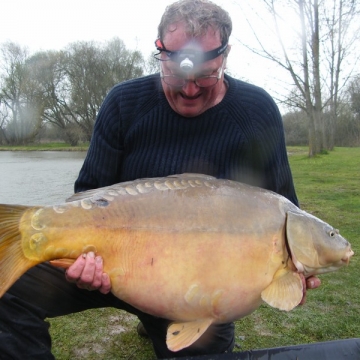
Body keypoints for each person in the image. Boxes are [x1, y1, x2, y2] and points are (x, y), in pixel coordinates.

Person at [0, 0, 320, 358]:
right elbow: (88, 194)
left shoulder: (257, 112)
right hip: (108, 261)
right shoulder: (123, 103)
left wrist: (296, 265)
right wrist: (81, 261)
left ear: (226, 55)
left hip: (195, 288)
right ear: (160, 53)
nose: (190, 90)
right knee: (6, 293)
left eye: (205, 77)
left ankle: (155, 317)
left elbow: (285, 211)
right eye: (178, 75)